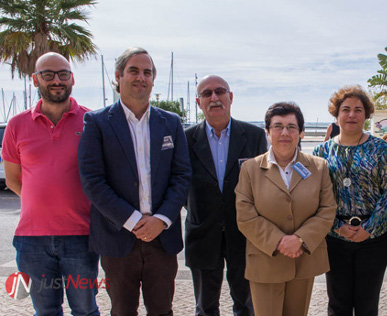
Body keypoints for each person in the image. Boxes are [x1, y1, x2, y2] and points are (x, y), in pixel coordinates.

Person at [78, 47, 192, 315]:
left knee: (162, 310)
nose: (141, 77)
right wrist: (132, 221)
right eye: (134, 71)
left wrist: (161, 219)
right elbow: (92, 180)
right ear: (118, 76)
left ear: (153, 80)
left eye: (147, 72)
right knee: (121, 311)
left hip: (162, 238)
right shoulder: (96, 122)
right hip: (117, 238)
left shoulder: (172, 123)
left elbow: (182, 175)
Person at [1, 52, 99, 316]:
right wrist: (42, 202)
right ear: (35, 80)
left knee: (85, 309)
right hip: (32, 241)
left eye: (63, 74)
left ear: (72, 79)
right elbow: (12, 179)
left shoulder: (92, 122)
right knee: (44, 311)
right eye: (48, 74)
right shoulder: (16, 125)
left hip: (82, 236)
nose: (56, 80)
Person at [235, 102, 337, 316]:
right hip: (265, 261)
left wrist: (299, 239)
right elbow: (245, 216)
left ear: (301, 132)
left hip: (303, 260)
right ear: (267, 131)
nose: (284, 133)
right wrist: (280, 241)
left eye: (291, 127)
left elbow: (327, 209)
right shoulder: (250, 169)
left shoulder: (318, 167)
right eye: (277, 126)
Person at [313, 85, 387, 315]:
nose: (352, 115)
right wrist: (337, 227)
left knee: (367, 304)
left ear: (366, 114)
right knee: (337, 303)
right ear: (337, 114)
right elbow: (315, 197)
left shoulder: (381, 149)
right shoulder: (320, 153)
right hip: (334, 237)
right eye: (346, 109)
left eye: (358, 110)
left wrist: (369, 228)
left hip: (375, 237)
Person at [185, 75, 268, 316]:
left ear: (230, 97)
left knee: (246, 305)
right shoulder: (186, 138)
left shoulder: (254, 136)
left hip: (243, 234)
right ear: (199, 102)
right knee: (205, 307)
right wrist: (198, 209)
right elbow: (179, 184)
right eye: (206, 94)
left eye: (220, 91)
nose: (214, 98)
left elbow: (262, 184)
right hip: (202, 233)